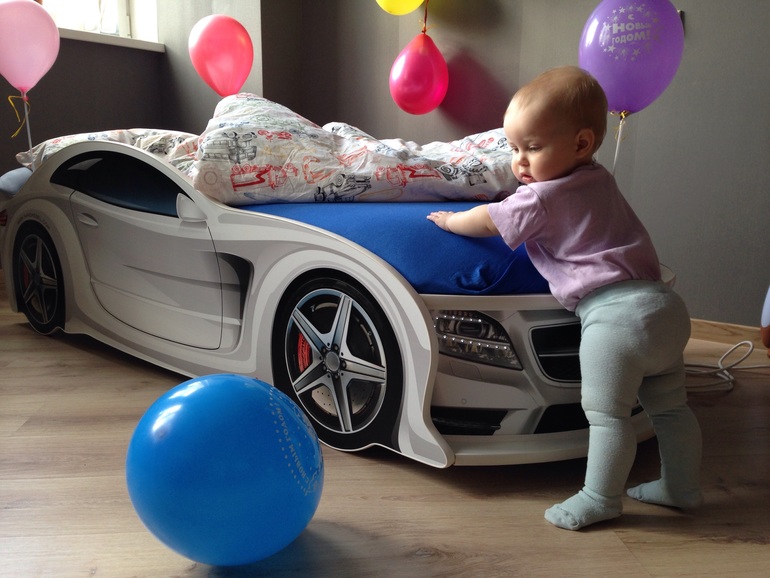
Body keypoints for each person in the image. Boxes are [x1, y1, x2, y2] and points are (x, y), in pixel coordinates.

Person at [427, 66, 702, 531]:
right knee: (672, 408)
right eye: (513, 148)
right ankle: (681, 487)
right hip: (664, 307)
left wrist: (450, 221)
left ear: (581, 143)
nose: (519, 163)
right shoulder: (599, 178)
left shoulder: (540, 198)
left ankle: (601, 498)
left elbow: (491, 220)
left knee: (607, 416)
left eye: (533, 148)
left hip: (614, 318)